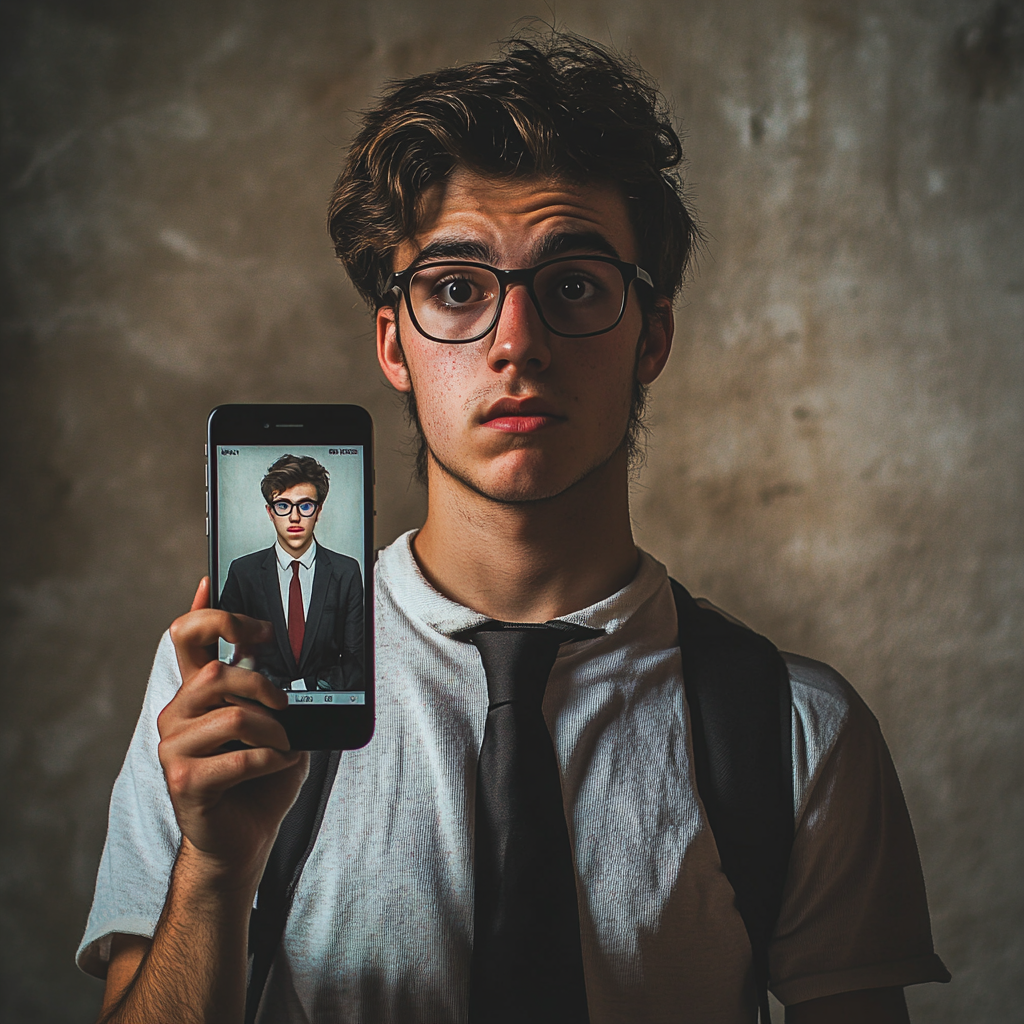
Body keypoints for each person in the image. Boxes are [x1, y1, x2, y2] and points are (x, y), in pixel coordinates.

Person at [79, 31, 949, 1024]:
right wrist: (212, 875)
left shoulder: (794, 731)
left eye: (573, 285)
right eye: (456, 290)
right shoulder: (235, 690)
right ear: (392, 341)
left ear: (650, 336)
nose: (515, 343)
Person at [219, 454, 364, 693]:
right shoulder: (243, 572)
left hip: (327, 711)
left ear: (318, 511)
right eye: (283, 505)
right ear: (270, 512)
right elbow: (228, 653)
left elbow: (356, 661)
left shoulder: (346, 572)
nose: (294, 517)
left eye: (305, 505)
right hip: (259, 708)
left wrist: (302, 686)